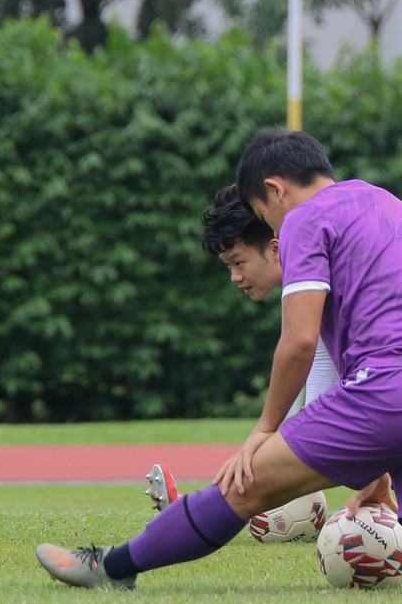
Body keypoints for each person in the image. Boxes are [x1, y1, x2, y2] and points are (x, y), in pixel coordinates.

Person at [37, 130, 402, 598]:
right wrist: (378, 461)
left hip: (398, 387)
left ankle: (109, 568)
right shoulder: (388, 204)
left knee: (244, 484)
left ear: (274, 191)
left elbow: (299, 342)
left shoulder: (303, 220)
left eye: (261, 215)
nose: (273, 235)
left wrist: (263, 430)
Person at [139, 187, 339, 522]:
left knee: (334, 447)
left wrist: (266, 434)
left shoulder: (325, 272)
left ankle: (197, 512)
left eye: (238, 262)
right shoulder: (309, 279)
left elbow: (306, 351)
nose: (235, 276)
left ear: (275, 249)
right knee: (318, 444)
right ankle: (208, 509)